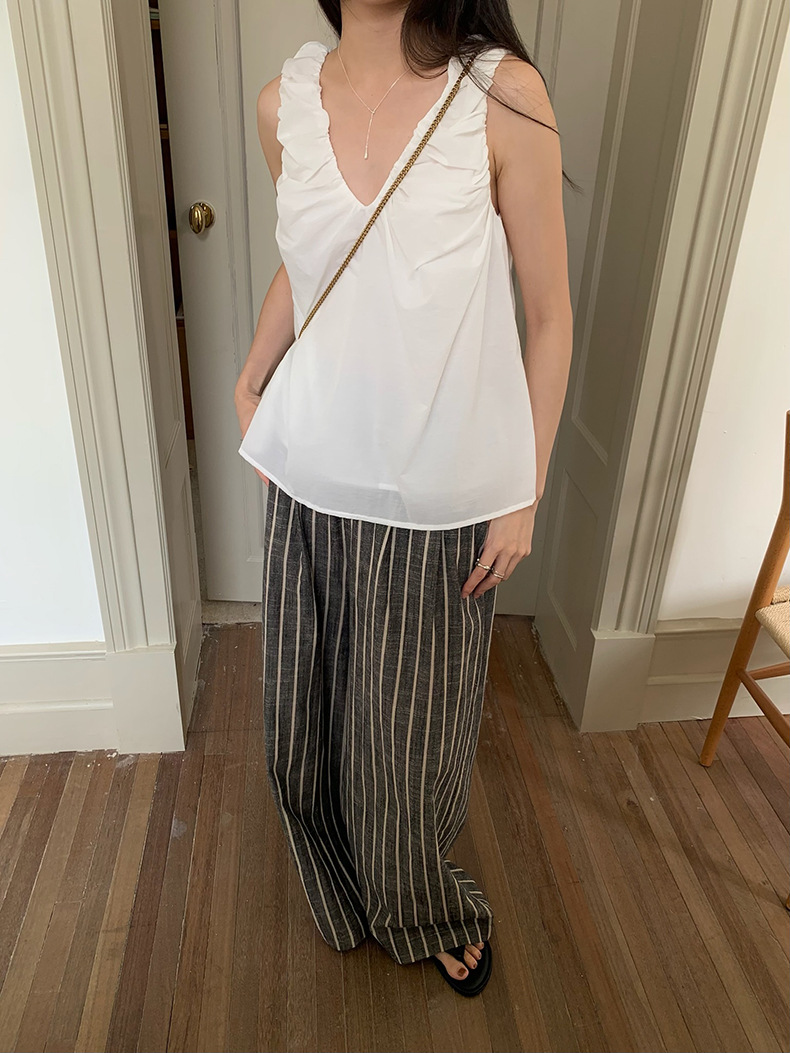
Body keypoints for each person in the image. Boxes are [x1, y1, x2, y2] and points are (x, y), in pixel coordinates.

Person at [234, 0, 573, 997]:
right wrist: (251, 377)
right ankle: (344, 885)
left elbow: (549, 314)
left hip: (437, 495)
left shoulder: (501, 94)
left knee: (405, 746)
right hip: (307, 475)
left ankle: (421, 905)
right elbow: (315, 261)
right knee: (301, 731)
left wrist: (524, 492)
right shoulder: (283, 103)